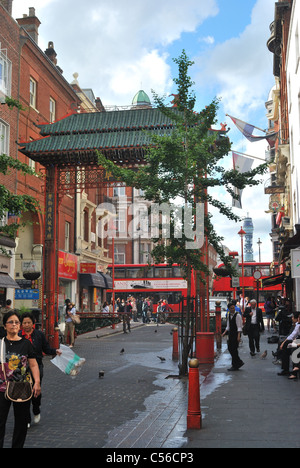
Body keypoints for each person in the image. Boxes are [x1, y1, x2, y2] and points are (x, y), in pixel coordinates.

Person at [0, 311, 41, 448]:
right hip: (1, 388)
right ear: (5, 326)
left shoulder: (26, 344)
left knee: (21, 423)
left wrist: (37, 382)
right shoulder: (0, 343)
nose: (14, 325)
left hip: (21, 387)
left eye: (17, 322)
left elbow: (33, 364)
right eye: (10, 322)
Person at [20, 312, 61, 426]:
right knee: (24, 393)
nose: (27, 325)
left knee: (35, 390)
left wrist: (55, 351)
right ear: (21, 324)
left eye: (29, 323)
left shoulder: (39, 335)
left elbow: (46, 349)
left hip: (37, 366)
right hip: (21, 369)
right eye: (24, 323)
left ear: (33, 323)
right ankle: (26, 419)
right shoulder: (18, 335)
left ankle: (36, 409)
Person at [222, 302, 244, 371]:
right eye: (231, 308)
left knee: (234, 349)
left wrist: (238, 336)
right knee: (230, 348)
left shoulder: (237, 316)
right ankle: (239, 362)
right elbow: (228, 326)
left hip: (236, 334)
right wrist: (224, 333)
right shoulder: (229, 315)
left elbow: (239, 327)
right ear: (228, 309)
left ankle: (235, 365)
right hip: (231, 334)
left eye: (233, 308)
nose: (232, 309)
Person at [277, 313, 300, 377]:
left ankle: (294, 371)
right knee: (286, 346)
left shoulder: (297, 325)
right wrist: (284, 342)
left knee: (294, 349)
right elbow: (292, 335)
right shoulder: (298, 325)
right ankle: (286, 369)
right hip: (297, 341)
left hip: (298, 342)